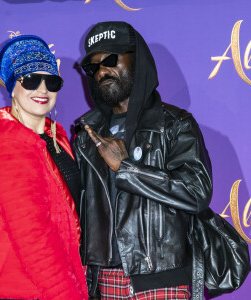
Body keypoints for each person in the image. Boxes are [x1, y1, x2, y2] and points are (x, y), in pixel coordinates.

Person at [74, 21, 213, 299]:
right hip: (104, 281)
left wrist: (127, 169)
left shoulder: (175, 124)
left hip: (162, 280)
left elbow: (197, 192)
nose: (102, 71)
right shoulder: (86, 135)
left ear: (138, 60)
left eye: (111, 59)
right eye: (94, 66)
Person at [0, 35, 88, 300]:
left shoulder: (56, 141)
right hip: (19, 291)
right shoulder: (10, 146)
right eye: (31, 80)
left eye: (51, 81)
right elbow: (34, 238)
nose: (42, 89)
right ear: (12, 87)